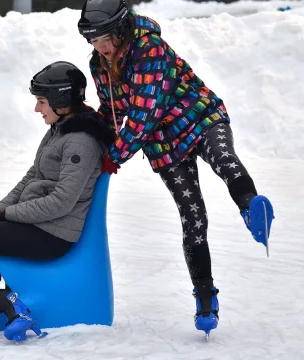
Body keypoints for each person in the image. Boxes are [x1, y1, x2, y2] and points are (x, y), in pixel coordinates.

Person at [76, 0, 275, 337]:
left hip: (199, 118)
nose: (102, 48)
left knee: (224, 158)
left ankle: (251, 207)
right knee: (193, 217)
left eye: (106, 38)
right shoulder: (99, 64)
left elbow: (144, 113)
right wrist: (90, 134)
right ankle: (206, 297)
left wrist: (117, 155)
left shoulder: (149, 49)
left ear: (122, 29)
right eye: (94, 41)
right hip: (163, 145)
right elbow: (112, 111)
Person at [0, 61, 115, 342]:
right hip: (32, 221)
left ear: (61, 100)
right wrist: (0, 209)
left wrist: (9, 216)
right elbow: (33, 175)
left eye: (41, 101)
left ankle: (13, 307)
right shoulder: (60, 129)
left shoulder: (81, 141)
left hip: (52, 233)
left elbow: (61, 202)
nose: (37, 109)